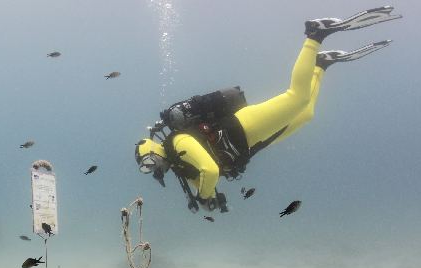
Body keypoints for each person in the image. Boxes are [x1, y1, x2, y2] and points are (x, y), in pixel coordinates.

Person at [134, 6, 402, 213]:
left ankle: (315, 35)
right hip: (252, 142)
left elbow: (210, 171)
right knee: (306, 113)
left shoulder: (177, 142)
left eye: (148, 164)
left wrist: (204, 196)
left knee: (297, 98)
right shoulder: (180, 165)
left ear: (151, 152)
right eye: (148, 169)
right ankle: (319, 65)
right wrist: (210, 199)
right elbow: (206, 178)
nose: (153, 169)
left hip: (245, 126)